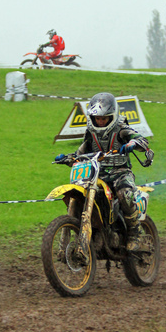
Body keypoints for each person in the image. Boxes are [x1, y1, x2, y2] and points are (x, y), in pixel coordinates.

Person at [56, 93, 153, 250]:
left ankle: (135, 233)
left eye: (104, 118)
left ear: (112, 116)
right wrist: (68, 158)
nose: (100, 122)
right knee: (79, 195)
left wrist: (133, 143)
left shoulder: (121, 128)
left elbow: (142, 140)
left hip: (121, 172)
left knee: (124, 194)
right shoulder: (91, 132)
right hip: (97, 174)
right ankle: (82, 235)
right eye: (97, 119)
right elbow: (81, 152)